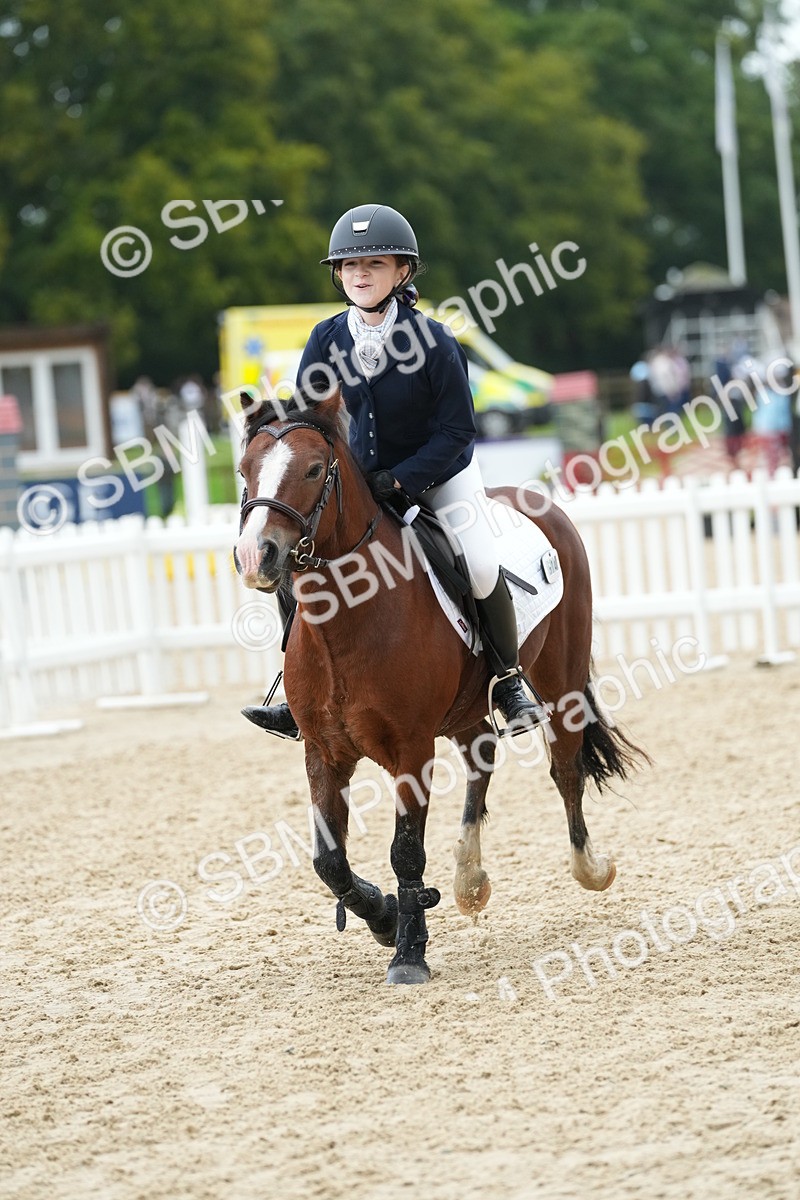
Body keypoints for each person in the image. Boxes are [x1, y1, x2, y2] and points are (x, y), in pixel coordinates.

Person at [241, 202, 548, 740]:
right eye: (350, 267)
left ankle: (508, 679)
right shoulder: (325, 338)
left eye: (374, 265)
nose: (360, 276)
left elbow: (457, 434)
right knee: (297, 562)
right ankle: (295, 694)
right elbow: (312, 423)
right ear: (339, 275)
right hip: (353, 481)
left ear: (402, 272)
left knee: (476, 561)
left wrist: (402, 479)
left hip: (438, 472)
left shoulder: (437, 342)